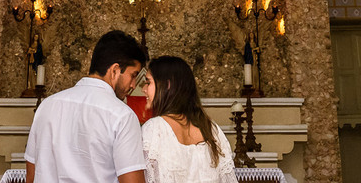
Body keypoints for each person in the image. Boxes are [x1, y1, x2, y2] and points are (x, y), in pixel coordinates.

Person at [25, 30, 149, 183]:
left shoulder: (47, 106)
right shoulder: (122, 116)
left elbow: (30, 177)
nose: (133, 85)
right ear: (115, 70)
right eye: (133, 75)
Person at [141, 56, 238, 183]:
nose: (143, 89)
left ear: (168, 84)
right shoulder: (211, 129)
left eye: (148, 82)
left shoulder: (154, 129)